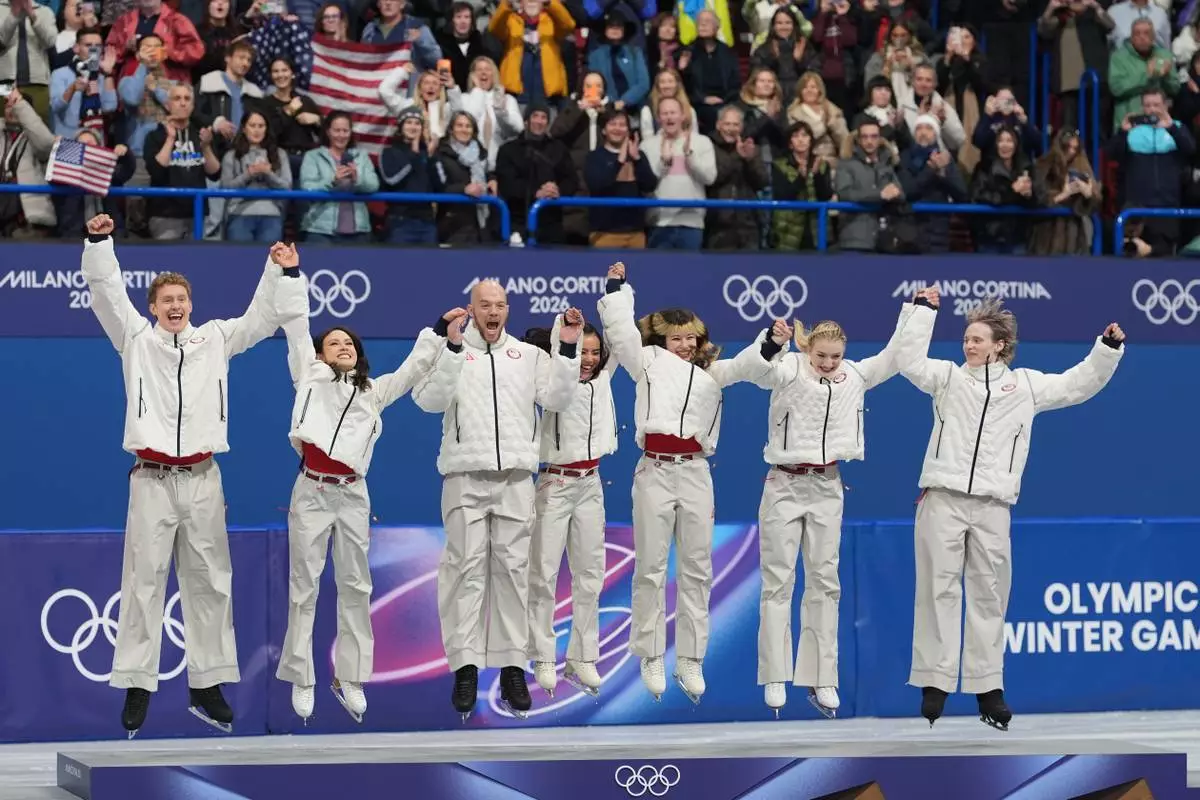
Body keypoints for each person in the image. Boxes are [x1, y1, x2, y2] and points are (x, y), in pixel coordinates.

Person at [79, 215, 307, 737]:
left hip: (204, 477)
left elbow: (260, 318)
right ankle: (138, 683)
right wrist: (98, 242)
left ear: (191, 304)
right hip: (152, 478)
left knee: (210, 582)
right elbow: (107, 291)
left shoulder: (216, 340)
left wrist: (278, 271)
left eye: (182, 299)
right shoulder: (135, 339)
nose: (176, 307)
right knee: (143, 583)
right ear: (153, 308)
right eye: (167, 301)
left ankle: (207, 686)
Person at [897, 289, 1126, 730]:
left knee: (988, 596)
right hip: (942, 497)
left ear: (1000, 345)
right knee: (936, 589)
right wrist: (924, 311)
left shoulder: (1025, 386)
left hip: (993, 504)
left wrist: (1107, 349)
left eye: (978, 339)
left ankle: (988, 687)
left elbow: (1077, 384)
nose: (969, 345)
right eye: (966, 339)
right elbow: (908, 360)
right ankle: (935, 681)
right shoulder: (947, 378)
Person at [276, 280, 469, 724]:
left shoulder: (373, 392)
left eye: (348, 342)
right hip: (311, 491)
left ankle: (351, 676)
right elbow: (297, 329)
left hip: (353, 496)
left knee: (356, 587)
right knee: (304, 585)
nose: (341, 346)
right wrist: (289, 275)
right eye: (333, 342)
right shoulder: (308, 375)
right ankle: (302, 676)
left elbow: (414, 367)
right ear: (320, 354)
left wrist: (440, 330)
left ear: (357, 353)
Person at [596, 261, 780, 703]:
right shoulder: (648, 364)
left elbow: (748, 368)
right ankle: (650, 652)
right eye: (675, 338)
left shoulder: (712, 373)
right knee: (651, 568)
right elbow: (621, 334)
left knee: (698, 568)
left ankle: (691, 657)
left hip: (696, 473)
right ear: (661, 339)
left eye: (690, 338)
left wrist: (770, 344)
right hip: (654, 471)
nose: (683, 345)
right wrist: (618, 288)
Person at [412, 280, 584, 721]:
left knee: (513, 574)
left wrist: (566, 347)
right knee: (463, 572)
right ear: (471, 309)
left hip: (515, 479)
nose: (494, 311)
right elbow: (427, 400)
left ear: (508, 310)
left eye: (500, 305)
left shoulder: (529, 357)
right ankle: (465, 667)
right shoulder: (451, 350)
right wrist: (450, 352)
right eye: (485, 305)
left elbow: (560, 397)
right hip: (464, 476)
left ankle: (512, 667)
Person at [752, 303, 921, 718]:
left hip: (828, 486)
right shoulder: (790, 368)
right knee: (778, 581)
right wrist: (772, 343)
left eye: (836, 356)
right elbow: (759, 371)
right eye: (821, 355)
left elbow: (896, 354)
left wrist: (917, 312)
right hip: (783, 483)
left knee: (825, 582)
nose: (828, 363)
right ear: (808, 348)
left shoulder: (856, 377)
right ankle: (776, 672)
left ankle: (822, 675)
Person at [523, 314, 618, 699]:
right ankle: (542, 654)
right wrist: (565, 336)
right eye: (584, 351)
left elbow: (622, 334)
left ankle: (583, 657)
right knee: (543, 573)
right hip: (554, 483)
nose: (590, 359)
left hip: (591, 484)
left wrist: (616, 289)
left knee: (590, 574)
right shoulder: (548, 380)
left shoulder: (604, 379)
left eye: (596, 352)